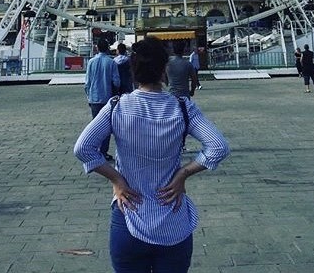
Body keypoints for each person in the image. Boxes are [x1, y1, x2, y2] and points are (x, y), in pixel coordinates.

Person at [74, 36, 230, 273]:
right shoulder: (182, 107)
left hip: (129, 215)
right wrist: (183, 175)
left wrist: (117, 180)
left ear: (133, 70)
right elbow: (218, 146)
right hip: (172, 218)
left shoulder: (117, 106)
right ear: (163, 69)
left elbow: (83, 148)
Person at [85, 38, 120, 161]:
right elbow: (116, 81)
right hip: (107, 98)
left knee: (96, 125)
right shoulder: (111, 63)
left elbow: (87, 83)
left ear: (97, 48)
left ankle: (94, 150)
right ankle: (103, 152)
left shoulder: (91, 62)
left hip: (94, 98)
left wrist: (88, 96)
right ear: (107, 48)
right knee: (106, 127)